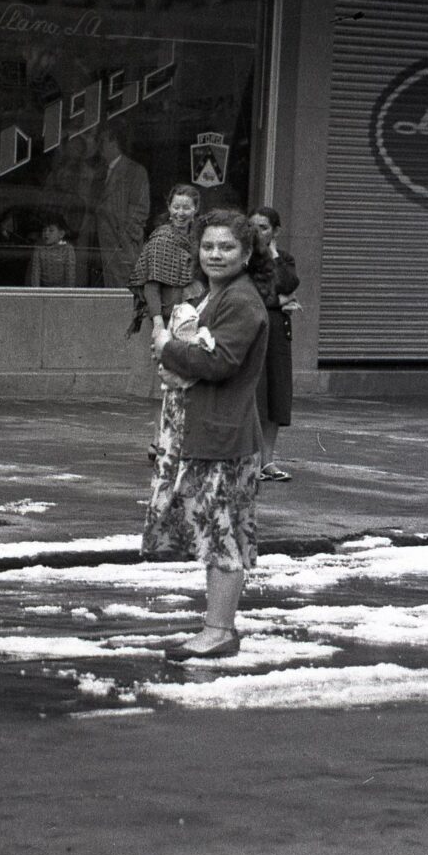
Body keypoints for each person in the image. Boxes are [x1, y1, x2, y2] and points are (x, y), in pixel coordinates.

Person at [143, 209, 270, 661]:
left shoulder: (241, 300)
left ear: (247, 252)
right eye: (208, 246)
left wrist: (167, 348)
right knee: (212, 531)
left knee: (221, 534)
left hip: (223, 437)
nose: (215, 254)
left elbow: (217, 364)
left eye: (227, 247)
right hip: (211, 432)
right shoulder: (216, 294)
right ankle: (216, 627)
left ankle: (219, 631)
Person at [250, 205, 299, 482]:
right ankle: (253, 460)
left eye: (264, 227)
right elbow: (253, 295)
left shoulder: (284, 258)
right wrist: (278, 301)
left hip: (278, 334)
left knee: (276, 397)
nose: (257, 233)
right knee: (255, 395)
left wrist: (275, 255)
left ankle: (268, 460)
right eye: (253, 226)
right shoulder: (243, 259)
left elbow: (289, 283)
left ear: (275, 231)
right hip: (253, 332)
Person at [129, 183, 201, 334]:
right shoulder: (161, 239)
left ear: (196, 209)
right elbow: (151, 285)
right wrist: (158, 322)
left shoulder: (201, 240)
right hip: (168, 318)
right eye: (176, 207)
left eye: (186, 208)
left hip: (198, 317)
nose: (180, 213)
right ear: (169, 207)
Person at [94, 126, 151, 290]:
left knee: (123, 293)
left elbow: (140, 211)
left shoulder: (135, 171)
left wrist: (125, 240)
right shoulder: (101, 172)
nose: (99, 146)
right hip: (101, 246)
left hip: (121, 248)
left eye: (103, 141)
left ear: (115, 142)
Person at [25, 216, 79, 288]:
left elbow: (70, 274)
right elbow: (35, 273)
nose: (46, 233)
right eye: (44, 230)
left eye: (51, 230)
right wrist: (36, 292)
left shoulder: (67, 249)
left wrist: (68, 293)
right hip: (44, 290)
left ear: (61, 234)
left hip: (62, 290)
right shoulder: (39, 249)